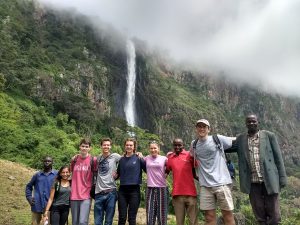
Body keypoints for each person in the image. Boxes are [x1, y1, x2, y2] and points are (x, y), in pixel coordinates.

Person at [231, 114, 287, 225]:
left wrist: (282, 178)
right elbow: (228, 147)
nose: (251, 123)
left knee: (274, 216)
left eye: (253, 121)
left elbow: (278, 158)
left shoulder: (269, 136)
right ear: (246, 124)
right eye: (249, 122)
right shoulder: (241, 139)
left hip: (270, 180)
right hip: (252, 183)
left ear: (258, 122)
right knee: (259, 214)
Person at [190, 119, 235, 225]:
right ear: (196, 129)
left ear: (208, 129)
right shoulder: (194, 144)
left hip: (221, 183)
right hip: (205, 186)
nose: (201, 129)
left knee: (227, 215)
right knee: (209, 217)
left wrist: (247, 136)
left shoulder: (217, 139)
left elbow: (232, 140)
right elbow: (190, 155)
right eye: (199, 126)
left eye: (204, 127)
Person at [166, 138, 198, 225]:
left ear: (183, 145)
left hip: (191, 194)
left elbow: (196, 171)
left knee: (193, 221)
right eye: (175, 145)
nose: (177, 147)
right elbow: (166, 171)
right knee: (179, 222)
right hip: (177, 195)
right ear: (173, 146)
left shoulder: (190, 156)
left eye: (179, 145)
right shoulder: (170, 158)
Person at [117, 138, 146, 225]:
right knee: (122, 217)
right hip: (122, 190)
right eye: (127, 145)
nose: (129, 147)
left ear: (134, 147)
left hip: (134, 191)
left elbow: (148, 170)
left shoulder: (138, 158)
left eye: (131, 145)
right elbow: (118, 174)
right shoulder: (121, 159)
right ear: (124, 146)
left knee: (132, 218)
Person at [94, 138, 121, 225]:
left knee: (109, 221)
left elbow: (127, 160)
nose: (106, 146)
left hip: (111, 193)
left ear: (110, 146)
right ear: (101, 146)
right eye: (104, 145)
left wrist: (118, 174)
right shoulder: (98, 158)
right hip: (99, 192)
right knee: (98, 221)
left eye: (108, 145)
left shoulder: (115, 156)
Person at [70, 138, 97, 225]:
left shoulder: (93, 160)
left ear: (90, 148)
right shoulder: (74, 160)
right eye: (83, 146)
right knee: (75, 222)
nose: (84, 148)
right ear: (79, 147)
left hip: (86, 194)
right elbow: (70, 172)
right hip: (74, 194)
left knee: (83, 222)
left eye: (86, 146)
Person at [25, 156, 57, 225]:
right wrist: (29, 198)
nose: (47, 162)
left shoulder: (56, 175)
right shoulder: (37, 175)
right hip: (37, 204)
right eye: (45, 161)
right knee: (35, 223)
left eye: (49, 161)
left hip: (50, 205)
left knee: (47, 223)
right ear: (43, 162)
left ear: (52, 162)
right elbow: (28, 186)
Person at [144, 141, 168, 225]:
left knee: (162, 214)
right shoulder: (146, 158)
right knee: (150, 213)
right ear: (149, 149)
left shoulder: (164, 158)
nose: (153, 150)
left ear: (158, 149)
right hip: (150, 188)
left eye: (155, 148)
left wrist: (167, 173)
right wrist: (138, 153)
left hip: (161, 188)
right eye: (151, 148)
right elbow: (139, 162)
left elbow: (169, 167)